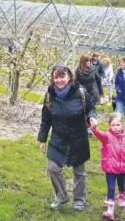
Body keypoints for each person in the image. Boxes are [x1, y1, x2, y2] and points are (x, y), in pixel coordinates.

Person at [38, 64, 98, 211]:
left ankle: (79, 199)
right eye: (56, 77)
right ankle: (62, 195)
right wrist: (42, 139)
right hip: (58, 138)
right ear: (53, 78)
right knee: (53, 168)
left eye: (62, 76)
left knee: (79, 171)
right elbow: (46, 120)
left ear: (69, 76)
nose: (59, 80)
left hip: (78, 138)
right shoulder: (49, 95)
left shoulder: (80, 92)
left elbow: (91, 109)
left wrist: (92, 118)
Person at [91, 112, 125, 221]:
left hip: (122, 168)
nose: (115, 127)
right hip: (110, 168)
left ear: (122, 125)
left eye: (118, 125)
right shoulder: (107, 136)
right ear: (109, 125)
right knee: (111, 187)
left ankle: (122, 198)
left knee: (121, 184)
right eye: (113, 125)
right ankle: (110, 210)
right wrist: (94, 128)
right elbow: (99, 134)